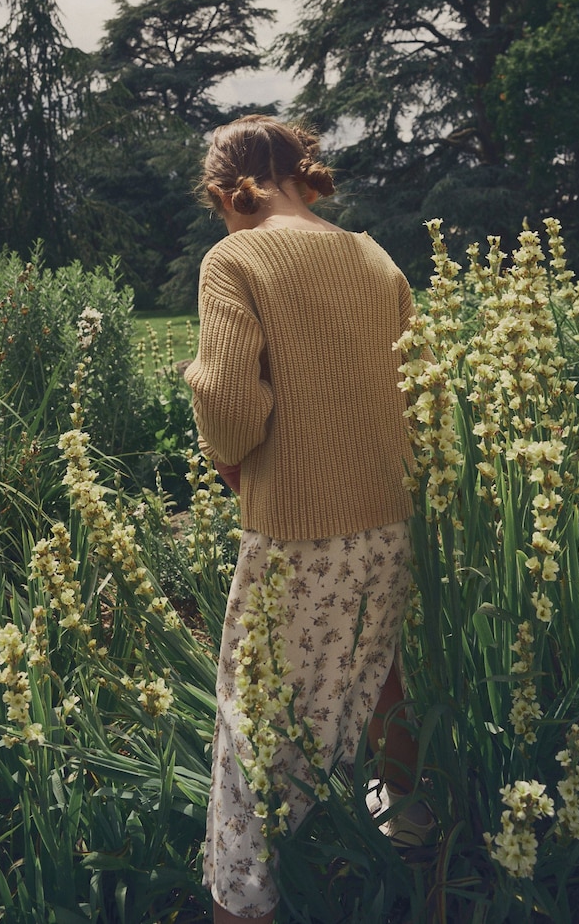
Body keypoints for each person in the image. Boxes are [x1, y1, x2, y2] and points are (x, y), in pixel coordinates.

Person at [184, 115, 431, 924]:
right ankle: (418, 851)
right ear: (306, 175)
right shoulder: (375, 256)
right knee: (382, 678)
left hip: (298, 538)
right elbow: (416, 388)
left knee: (252, 734)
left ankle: (242, 910)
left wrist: (205, 395)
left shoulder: (236, 258)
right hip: (388, 524)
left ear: (229, 193)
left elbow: (226, 409)